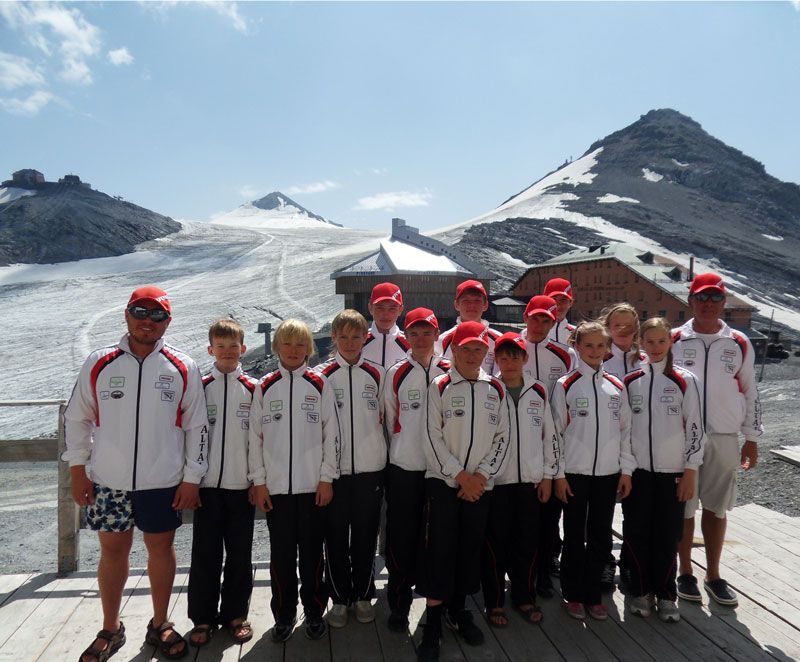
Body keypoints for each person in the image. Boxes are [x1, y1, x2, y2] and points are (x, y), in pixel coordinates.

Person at [64, 285, 208, 662]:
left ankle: (160, 622)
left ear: (167, 321)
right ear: (127, 315)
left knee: (161, 549)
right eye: (140, 312)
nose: (148, 321)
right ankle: (110, 627)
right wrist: (78, 469)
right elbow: (77, 418)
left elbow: (197, 426)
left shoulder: (182, 366)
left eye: (157, 314)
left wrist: (192, 477)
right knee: (112, 552)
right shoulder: (100, 361)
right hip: (108, 481)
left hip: (162, 481)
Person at [416, 321, 510, 662]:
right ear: (453, 350)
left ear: (487, 352)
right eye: (465, 348)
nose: (472, 355)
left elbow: (503, 438)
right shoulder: (439, 386)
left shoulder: (495, 389)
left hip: (480, 486)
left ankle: (457, 611)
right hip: (444, 484)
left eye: (478, 349)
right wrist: (460, 476)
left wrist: (481, 476)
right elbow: (431, 437)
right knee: (439, 551)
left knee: (469, 549)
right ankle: (433, 623)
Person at [672, 273, 762, 607]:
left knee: (717, 507)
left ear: (724, 302)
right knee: (684, 507)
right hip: (682, 438)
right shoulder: (674, 338)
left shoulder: (738, 341)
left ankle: (713, 574)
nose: (708, 304)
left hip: (724, 435)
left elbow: (750, 390)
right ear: (690, 300)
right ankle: (684, 572)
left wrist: (751, 437)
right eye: (701, 297)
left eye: (714, 298)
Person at [248, 318, 340, 642]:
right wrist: (259, 482)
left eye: (300, 344)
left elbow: (332, 435)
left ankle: (314, 610)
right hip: (276, 490)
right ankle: (284, 614)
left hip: (312, 488)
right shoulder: (264, 386)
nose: (293, 349)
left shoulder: (319, 384)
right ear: (277, 347)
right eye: (286, 343)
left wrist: (326, 478)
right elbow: (254, 438)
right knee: (282, 556)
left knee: (313, 555)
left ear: (309, 349)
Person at [623, 317, 705, 622]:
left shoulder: (686, 380)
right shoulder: (631, 382)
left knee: (668, 534)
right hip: (639, 472)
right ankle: (640, 590)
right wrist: (626, 470)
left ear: (671, 342)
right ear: (640, 343)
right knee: (637, 531)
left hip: (674, 473)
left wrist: (690, 470)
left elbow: (696, 427)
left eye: (661, 341)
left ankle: (667, 593)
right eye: (650, 341)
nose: (656, 347)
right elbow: (624, 431)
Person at [552, 321, 634, 621]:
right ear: (576, 346)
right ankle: (573, 594)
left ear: (607, 348)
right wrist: (559, 474)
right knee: (574, 534)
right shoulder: (565, 384)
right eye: (588, 345)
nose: (595, 350)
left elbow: (626, 431)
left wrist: (626, 471)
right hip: (574, 472)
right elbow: (555, 433)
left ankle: (594, 594)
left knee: (600, 534)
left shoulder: (616, 386)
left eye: (601, 345)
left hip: (608, 474)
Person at [480, 332, 557, 628]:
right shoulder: (489, 389)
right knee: (495, 544)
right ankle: (495, 600)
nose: (510, 362)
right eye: (504, 357)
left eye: (515, 356)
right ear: (496, 360)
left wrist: (548, 475)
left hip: (530, 481)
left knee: (527, 542)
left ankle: (524, 595)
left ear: (525, 358)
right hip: (497, 481)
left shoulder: (538, 390)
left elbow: (549, 435)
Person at [187, 319, 257, 647]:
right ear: (210, 349)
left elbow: (258, 439)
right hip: (207, 487)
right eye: (221, 346)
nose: (227, 352)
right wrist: (190, 479)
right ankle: (202, 617)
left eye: (233, 346)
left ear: (243, 349)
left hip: (241, 486)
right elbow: (188, 436)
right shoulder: (199, 388)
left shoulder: (254, 388)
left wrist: (256, 480)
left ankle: (235, 614)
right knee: (205, 553)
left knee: (240, 553)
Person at [316, 309, 387, 627]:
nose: (349, 342)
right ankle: (339, 598)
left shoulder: (378, 374)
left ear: (365, 338)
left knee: (365, 536)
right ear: (333, 337)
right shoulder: (321, 376)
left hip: (370, 470)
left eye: (356, 336)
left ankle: (363, 595)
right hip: (335, 472)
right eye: (343, 336)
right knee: (334, 537)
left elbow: (388, 418)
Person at [383, 308, 450, 632]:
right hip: (406, 468)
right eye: (414, 333)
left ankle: (440, 605)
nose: (421, 339)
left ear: (437, 334)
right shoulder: (396, 373)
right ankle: (399, 604)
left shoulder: (450, 371)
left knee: (439, 540)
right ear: (406, 336)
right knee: (401, 539)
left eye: (427, 332)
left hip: (441, 471)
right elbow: (389, 419)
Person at [518, 295, 575, 598]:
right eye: (535, 318)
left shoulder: (565, 354)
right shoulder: (511, 348)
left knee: (550, 514)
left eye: (546, 320)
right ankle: (520, 571)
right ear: (525, 317)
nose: (539, 325)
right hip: (520, 440)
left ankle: (544, 569)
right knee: (522, 514)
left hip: (554, 440)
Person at [598, 302, 645, 590]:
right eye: (617, 325)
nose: (624, 330)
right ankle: (604, 561)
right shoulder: (599, 358)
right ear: (608, 328)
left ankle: (630, 562)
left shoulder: (647, 359)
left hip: (640, 445)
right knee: (603, 510)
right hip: (607, 445)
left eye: (629, 325)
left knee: (635, 511)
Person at [436, 279, 502, 375]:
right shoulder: (442, 340)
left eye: (477, 300)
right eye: (466, 300)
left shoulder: (499, 340)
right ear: (456, 305)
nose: (472, 305)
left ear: (485, 305)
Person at [362, 281, 410, 368]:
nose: (386, 314)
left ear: (400, 310)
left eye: (392, 308)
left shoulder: (411, 344)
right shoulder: (358, 343)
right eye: (380, 308)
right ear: (370, 308)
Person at [543, 278, 576, 345]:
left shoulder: (578, 334)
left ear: (571, 303)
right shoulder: (532, 333)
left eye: (563, 300)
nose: (558, 304)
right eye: (554, 299)